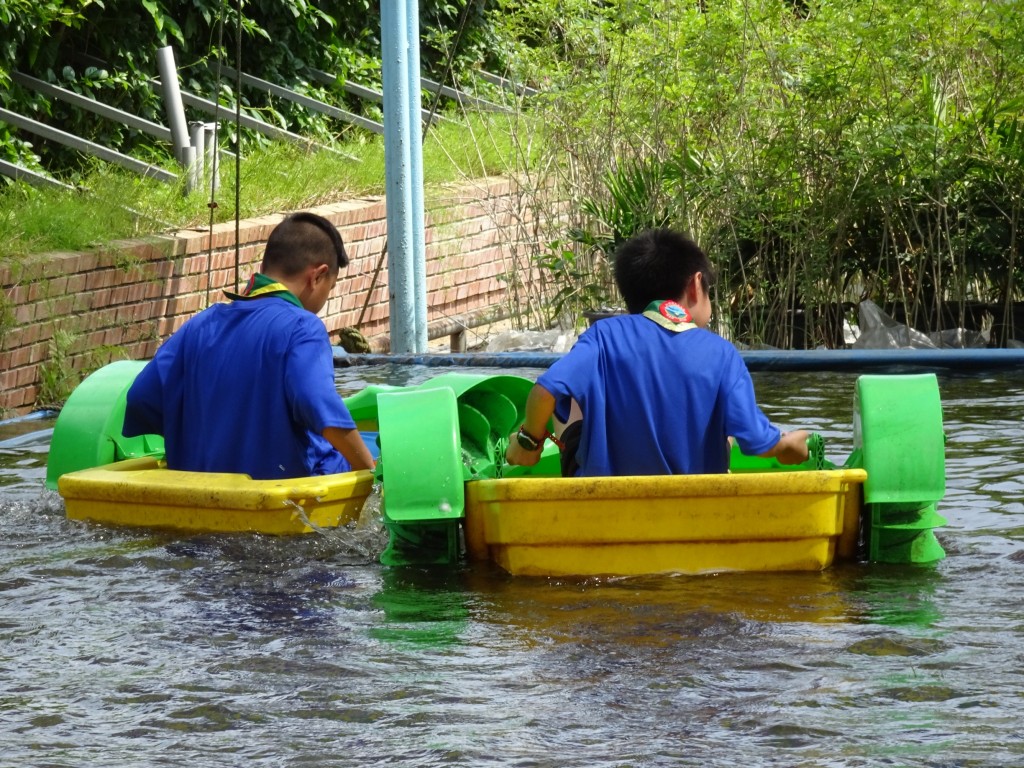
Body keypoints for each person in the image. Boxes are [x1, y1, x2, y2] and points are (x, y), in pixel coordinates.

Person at [505, 228, 809, 476]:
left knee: (571, 406)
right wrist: (788, 446)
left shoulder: (604, 336)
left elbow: (545, 390)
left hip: (608, 507)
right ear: (695, 285)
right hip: (692, 511)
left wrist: (528, 442)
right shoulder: (722, 354)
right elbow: (758, 442)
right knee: (723, 426)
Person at [122, 211, 376, 479]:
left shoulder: (200, 324)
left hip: (195, 492)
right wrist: (370, 471)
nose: (325, 299)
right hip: (279, 502)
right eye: (330, 287)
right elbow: (316, 402)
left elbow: (140, 398)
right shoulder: (304, 328)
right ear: (318, 276)